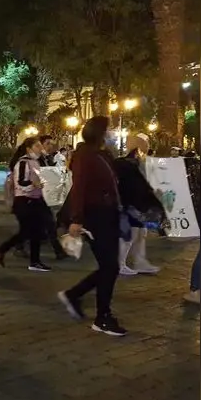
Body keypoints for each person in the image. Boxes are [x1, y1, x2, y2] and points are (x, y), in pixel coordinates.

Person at [57, 116, 127, 336]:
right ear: (99, 132)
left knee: (110, 267)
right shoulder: (85, 156)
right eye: (109, 129)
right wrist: (76, 219)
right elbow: (79, 188)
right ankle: (102, 316)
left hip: (109, 214)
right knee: (110, 266)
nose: (113, 133)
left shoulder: (102, 155)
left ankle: (75, 295)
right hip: (96, 216)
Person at [0, 137, 53, 272]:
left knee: (35, 231)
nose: (40, 148)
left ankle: (34, 261)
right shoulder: (24, 162)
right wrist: (33, 185)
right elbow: (21, 183)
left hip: (35, 200)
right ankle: (1, 249)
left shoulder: (35, 162)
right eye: (36, 146)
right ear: (28, 149)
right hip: (25, 201)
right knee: (28, 230)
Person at [115, 133, 164, 275]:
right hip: (130, 203)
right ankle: (120, 263)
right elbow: (129, 185)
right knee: (130, 233)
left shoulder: (142, 161)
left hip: (139, 203)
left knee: (141, 232)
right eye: (145, 142)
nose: (148, 145)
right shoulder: (125, 163)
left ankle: (139, 261)